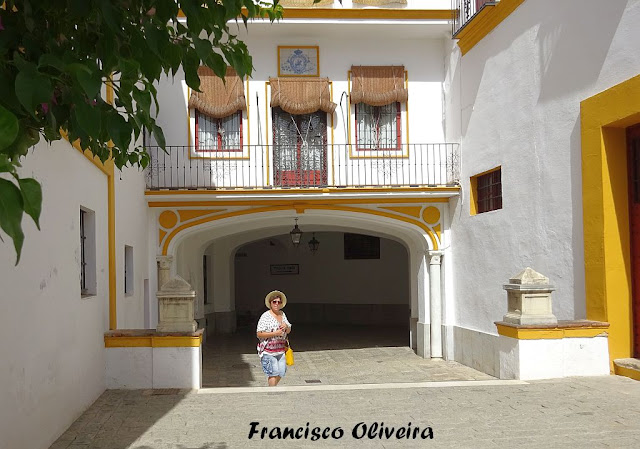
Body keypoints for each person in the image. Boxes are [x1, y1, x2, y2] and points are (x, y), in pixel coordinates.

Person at [256, 290, 292, 386]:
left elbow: (289, 330)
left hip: (280, 350)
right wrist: (275, 333)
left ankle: (272, 388)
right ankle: (272, 391)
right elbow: (259, 333)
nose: (276, 304)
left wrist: (286, 326)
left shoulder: (282, 314)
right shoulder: (265, 316)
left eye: (279, 302)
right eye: (274, 302)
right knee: (273, 374)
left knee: (281, 372)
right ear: (270, 303)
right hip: (268, 351)